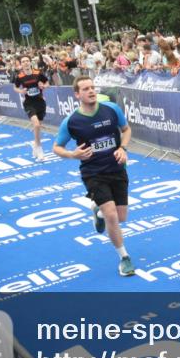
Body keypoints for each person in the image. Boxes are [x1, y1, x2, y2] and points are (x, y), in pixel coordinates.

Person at [53, 77, 136, 277]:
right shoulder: (71, 121)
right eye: (85, 89)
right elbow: (57, 147)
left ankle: (97, 210)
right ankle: (124, 258)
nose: (91, 91)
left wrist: (123, 148)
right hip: (93, 173)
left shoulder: (111, 109)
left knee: (121, 216)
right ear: (77, 94)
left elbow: (126, 130)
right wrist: (73, 154)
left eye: (92, 87)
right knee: (112, 216)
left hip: (117, 168)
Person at [13, 56, 50, 159]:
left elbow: (47, 83)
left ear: (30, 62)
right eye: (23, 61)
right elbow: (15, 87)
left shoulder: (38, 73)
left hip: (40, 102)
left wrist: (44, 86)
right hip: (29, 103)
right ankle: (39, 148)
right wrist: (21, 91)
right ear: (21, 64)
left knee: (37, 128)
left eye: (27, 61)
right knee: (37, 125)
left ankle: (35, 145)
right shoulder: (20, 76)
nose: (25, 63)